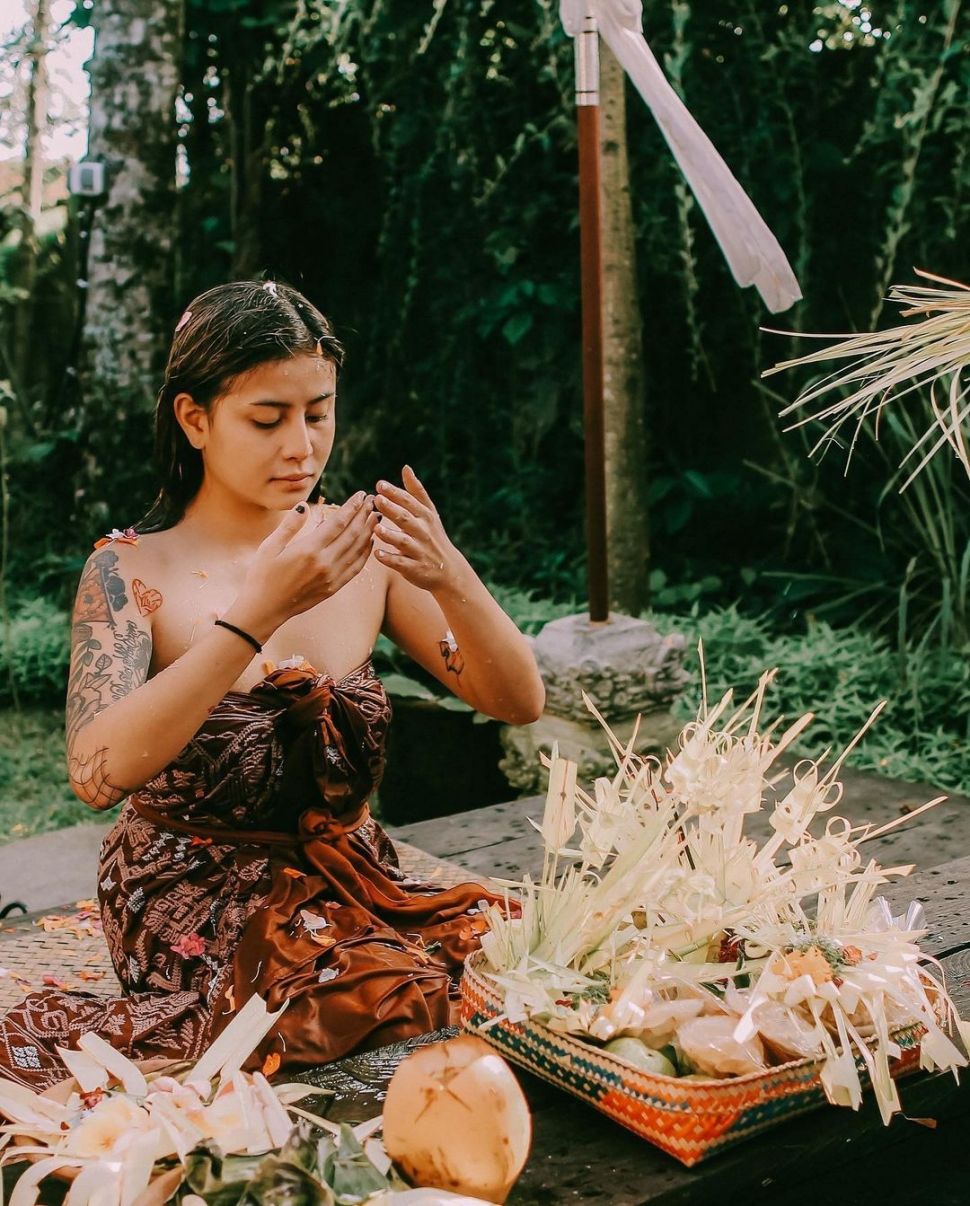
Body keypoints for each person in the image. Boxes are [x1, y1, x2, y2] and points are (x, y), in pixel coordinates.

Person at [0, 280, 544, 1091]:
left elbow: (518, 701)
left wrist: (453, 575)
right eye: (267, 419)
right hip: (195, 894)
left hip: (348, 878)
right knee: (378, 1005)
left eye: (318, 413)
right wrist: (254, 616)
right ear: (194, 419)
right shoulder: (130, 570)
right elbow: (93, 773)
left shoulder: (358, 550)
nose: (302, 447)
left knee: (522, 965)